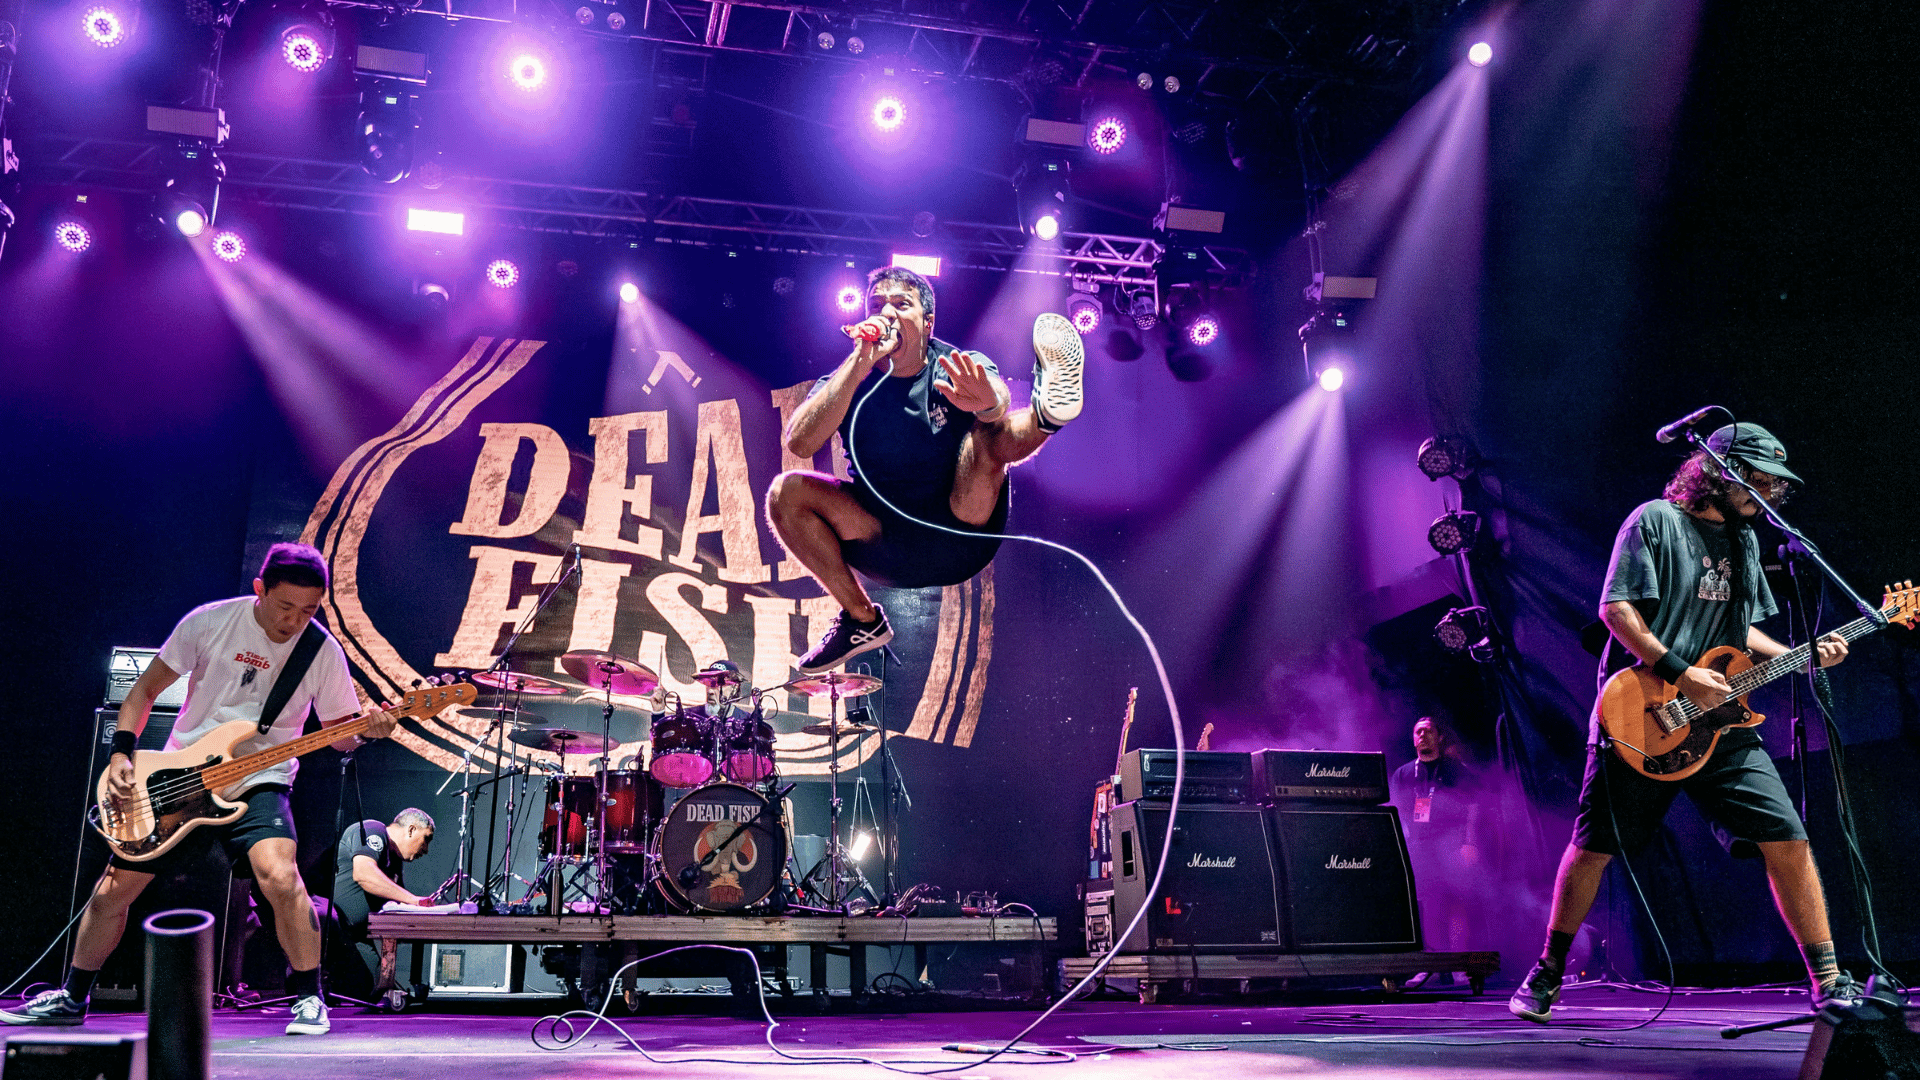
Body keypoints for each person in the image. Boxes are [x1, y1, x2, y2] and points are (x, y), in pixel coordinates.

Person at [1509, 424, 1854, 1023]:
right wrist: (1679, 670)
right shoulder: (1654, 522)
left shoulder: (1746, 541)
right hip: (1640, 712)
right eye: (1759, 479)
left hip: (1719, 721)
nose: (1768, 493)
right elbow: (1615, 610)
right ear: (1721, 470)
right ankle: (1548, 971)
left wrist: (1801, 654)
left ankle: (1828, 977)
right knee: (1593, 849)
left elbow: (1737, 629)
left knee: (1787, 835)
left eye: (1774, 484)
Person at [3, 543, 399, 1035]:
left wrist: (368, 729)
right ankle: (72, 996)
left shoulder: (321, 652)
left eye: (310, 609)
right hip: (184, 775)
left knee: (280, 876)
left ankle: (309, 999)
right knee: (113, 892)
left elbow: (340, 734)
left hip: (261, 776)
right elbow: (143, 691)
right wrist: (122, 754)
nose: (296, 620)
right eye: (285, 607)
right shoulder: (210, 622)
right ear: (260, 589)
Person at [765, 265, 1084, 674]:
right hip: (882, 542)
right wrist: (861, 361)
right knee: (786, 492)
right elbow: (800, 443)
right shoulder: (847, 376)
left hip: (961, 529)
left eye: (902, 304)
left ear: (927, 323)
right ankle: (862, 621)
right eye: (877, 304)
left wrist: (989, 402)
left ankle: (1046, 412)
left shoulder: (952, 363)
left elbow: (997, 399)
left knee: (987, 435)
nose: (887, 313)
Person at [1387, 717, 1483, 956]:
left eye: (1428, 731)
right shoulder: (1403, 773)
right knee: (1428, 904)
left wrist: (1469, 843)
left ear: (1439, 737)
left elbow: (1473, 807)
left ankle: (1458, 961)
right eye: (1418, 732)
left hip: (1452, 844)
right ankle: (1432, 963)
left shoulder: (1454, 768)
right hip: (1420, 847)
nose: (1423, 736)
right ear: (1413, 738)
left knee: (1457, 900)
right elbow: (1397, 811)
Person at [330, 809, 435, 1000]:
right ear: (411, 830)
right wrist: (414, 900)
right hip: (332, 928)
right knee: (364, 990)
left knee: (376, 990)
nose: (426, 849)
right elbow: (364, 874)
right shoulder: (373, 830)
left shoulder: (394, 860)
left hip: (356, 936)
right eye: (426, 839)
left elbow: (395, 904)